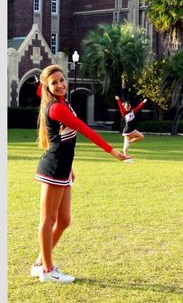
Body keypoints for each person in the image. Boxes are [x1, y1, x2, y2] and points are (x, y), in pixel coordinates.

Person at [31, 64, 130, 284]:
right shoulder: (56, 108)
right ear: (46, 87)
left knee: (64, 220)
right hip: (54, 168)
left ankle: (40, 263)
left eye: (62, 79)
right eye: (54, 82)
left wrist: (71, 168)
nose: (60, 85)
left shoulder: (61, 103)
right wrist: (112, 151)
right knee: (47, 220)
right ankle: (47, 270)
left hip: (64, 168)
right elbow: (85, 130)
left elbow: (67, 141)